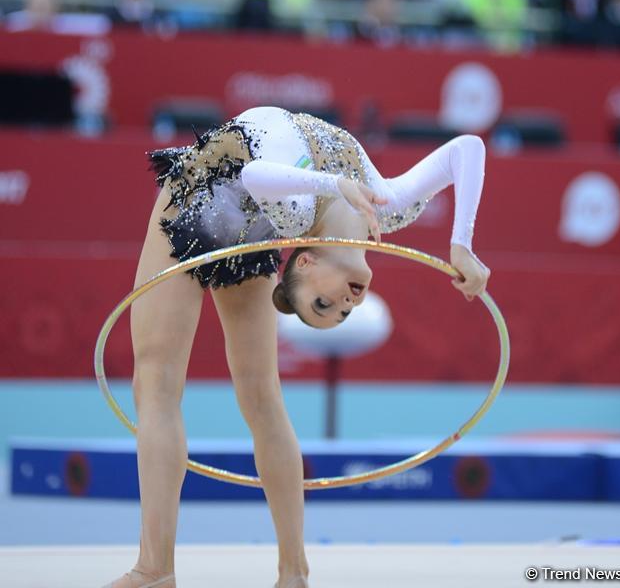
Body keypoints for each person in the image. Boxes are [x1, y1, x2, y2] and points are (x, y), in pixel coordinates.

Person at [103, 105, 489, 588]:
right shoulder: (388, 206)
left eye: (324, 307)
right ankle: (156, 569)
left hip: (232, 201)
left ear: (304, 263)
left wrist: (334, 186)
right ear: (303, 262)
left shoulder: (298, 209)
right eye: (338, 310)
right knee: (157, 381)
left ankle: (293, 573)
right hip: (208, 195)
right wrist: (462, 243)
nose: (344, 305)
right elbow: (466, 150)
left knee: (259, 395)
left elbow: (258, 176)